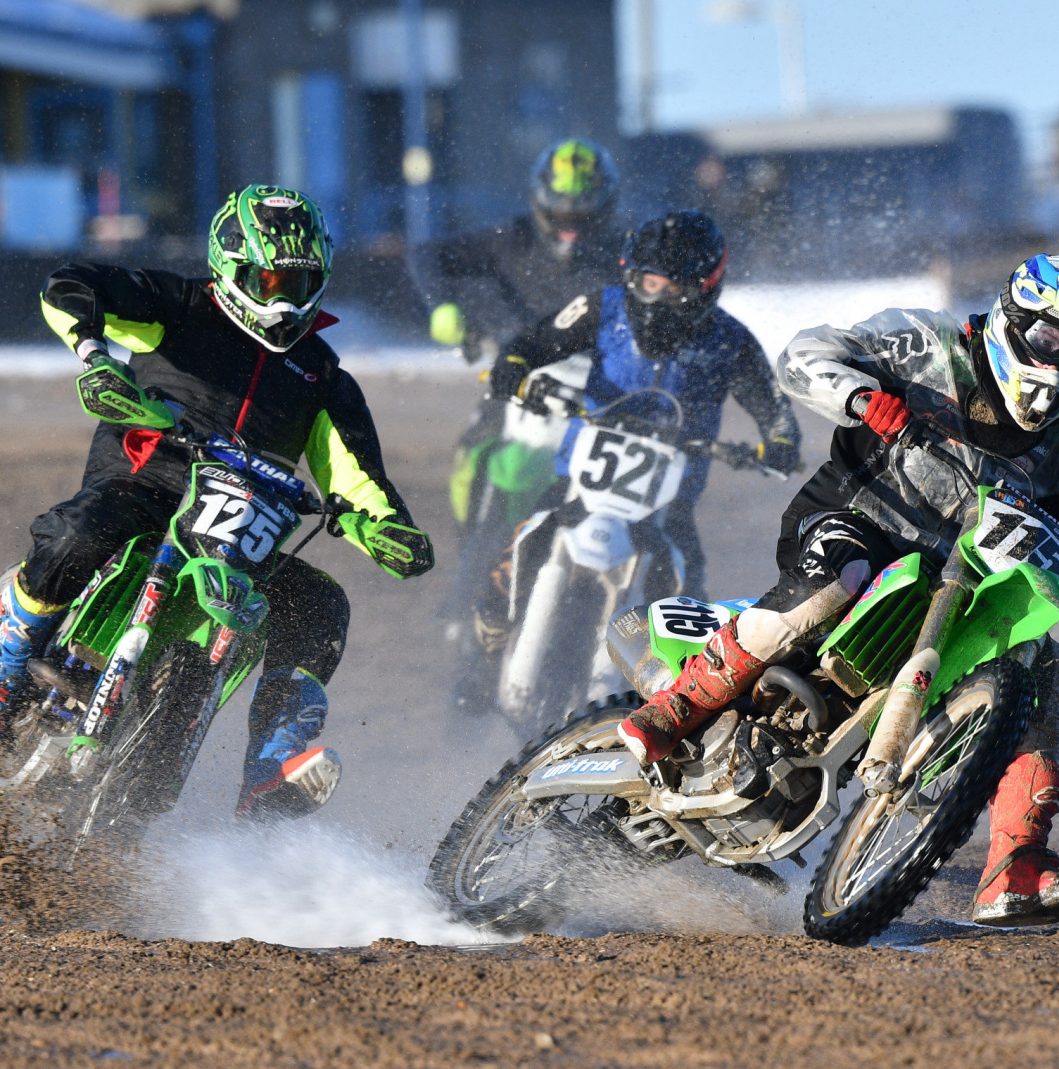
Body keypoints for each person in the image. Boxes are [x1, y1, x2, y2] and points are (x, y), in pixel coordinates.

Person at [613, 254, 1059, 926]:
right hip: (855, 523)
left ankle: (1013, 866)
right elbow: (807, 353)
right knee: (836, 582)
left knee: (1049, 665)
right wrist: (859, 397)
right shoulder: (926, 345)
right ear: (1014, 319)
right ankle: (678, 708)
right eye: (1052, 339)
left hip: (953, 580)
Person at [0, 184, 433, 821]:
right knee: (75, 534)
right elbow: (70, 285)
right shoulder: (179, 307)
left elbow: (358, 478)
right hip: (145, 488)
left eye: (299, 279)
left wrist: (390, 531)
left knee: (319, 606)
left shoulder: (324, 377)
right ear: (232, 264)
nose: (283, 295)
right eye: (270, 277)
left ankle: (271, 767)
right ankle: (9, 664)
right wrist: (94, 360)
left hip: (241, 535)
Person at [476, 209, 800, 624]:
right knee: (502, 581)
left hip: (669, 510)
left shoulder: (731, 341)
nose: (658, 299)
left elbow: (774, 408)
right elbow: (535, 341)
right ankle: (477, 674)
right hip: (575, 486)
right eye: (650, 284)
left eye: (675, 288)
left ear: (706, 287)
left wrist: (781, 444)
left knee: (691, 614)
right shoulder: (602, 307)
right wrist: (513, 366)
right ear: (631, 275)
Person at [410, 138, 624, 550]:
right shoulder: (511, 238)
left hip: (601, 390)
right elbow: (428, 255)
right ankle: (471, 564)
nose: (571, 221)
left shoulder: (626, 251)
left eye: (584, 210)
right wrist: (442, 307)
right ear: (540, 198)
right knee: (475, 458)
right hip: (517, 376)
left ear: (607, 206)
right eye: (561, 208)